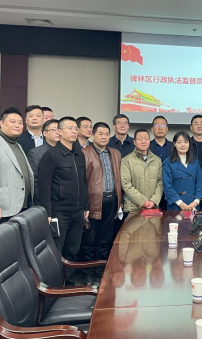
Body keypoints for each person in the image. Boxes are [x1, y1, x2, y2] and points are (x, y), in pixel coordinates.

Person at [38, 117, 89, 262]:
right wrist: (47, 212)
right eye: (69, 128)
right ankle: (57, 278)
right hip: (59, 212)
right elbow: (44, 186)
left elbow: (83, 182)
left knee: (73, 250)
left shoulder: (80, 154)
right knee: (57, 251)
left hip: (78, 212)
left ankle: (70, 277)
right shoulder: (51, 155)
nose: (74, 131)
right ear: (59, 132)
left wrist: (86, 206)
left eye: (75, 129)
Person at [0, 107, 34, 230]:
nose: (17, 125)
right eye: (12, 122)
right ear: (1, 123)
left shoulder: (17, 145)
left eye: (20, 122)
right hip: (0, 211)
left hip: (21, 207)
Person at [81, 122, 122, 286]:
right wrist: (84, 205)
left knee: (105, 240)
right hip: (93, 203)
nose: (104, 137)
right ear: (92, 135)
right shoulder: (84, 153)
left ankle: (101, 273)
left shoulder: (115, 153)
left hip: (112, 201)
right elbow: (81, 182)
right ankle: (87, 275)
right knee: (89, 241)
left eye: (106, 134)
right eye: (100, 134)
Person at [121, 129, 163, 214]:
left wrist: (154, 201)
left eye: (146, 139)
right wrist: (143, 201)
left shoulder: (157, 160)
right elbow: (126, 184)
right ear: (134, 142)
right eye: (140, 139)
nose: (143, 141)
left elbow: (160, 182)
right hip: (133, 207)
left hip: (152, 206)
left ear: (149, 141)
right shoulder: (126, 160)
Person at [163, 131, 202, 211]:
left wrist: (196, 202)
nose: (183, 145)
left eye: (186, 142)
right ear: (174, 144)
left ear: (189, 144)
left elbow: (200, 183)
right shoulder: (168, 163)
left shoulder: (195, 162)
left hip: (193, 206)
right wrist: (180, 203)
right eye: (179, 142)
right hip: (175, 206)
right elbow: (167, 186)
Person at [27, 119, 60, 206]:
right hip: (44, 201)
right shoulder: (35, 153)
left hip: (62, 201)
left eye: (59, 130)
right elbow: (34, 181)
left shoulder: (66, 152)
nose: (58, 132)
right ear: (45, 133)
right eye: (54, 130)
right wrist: (41, 202)